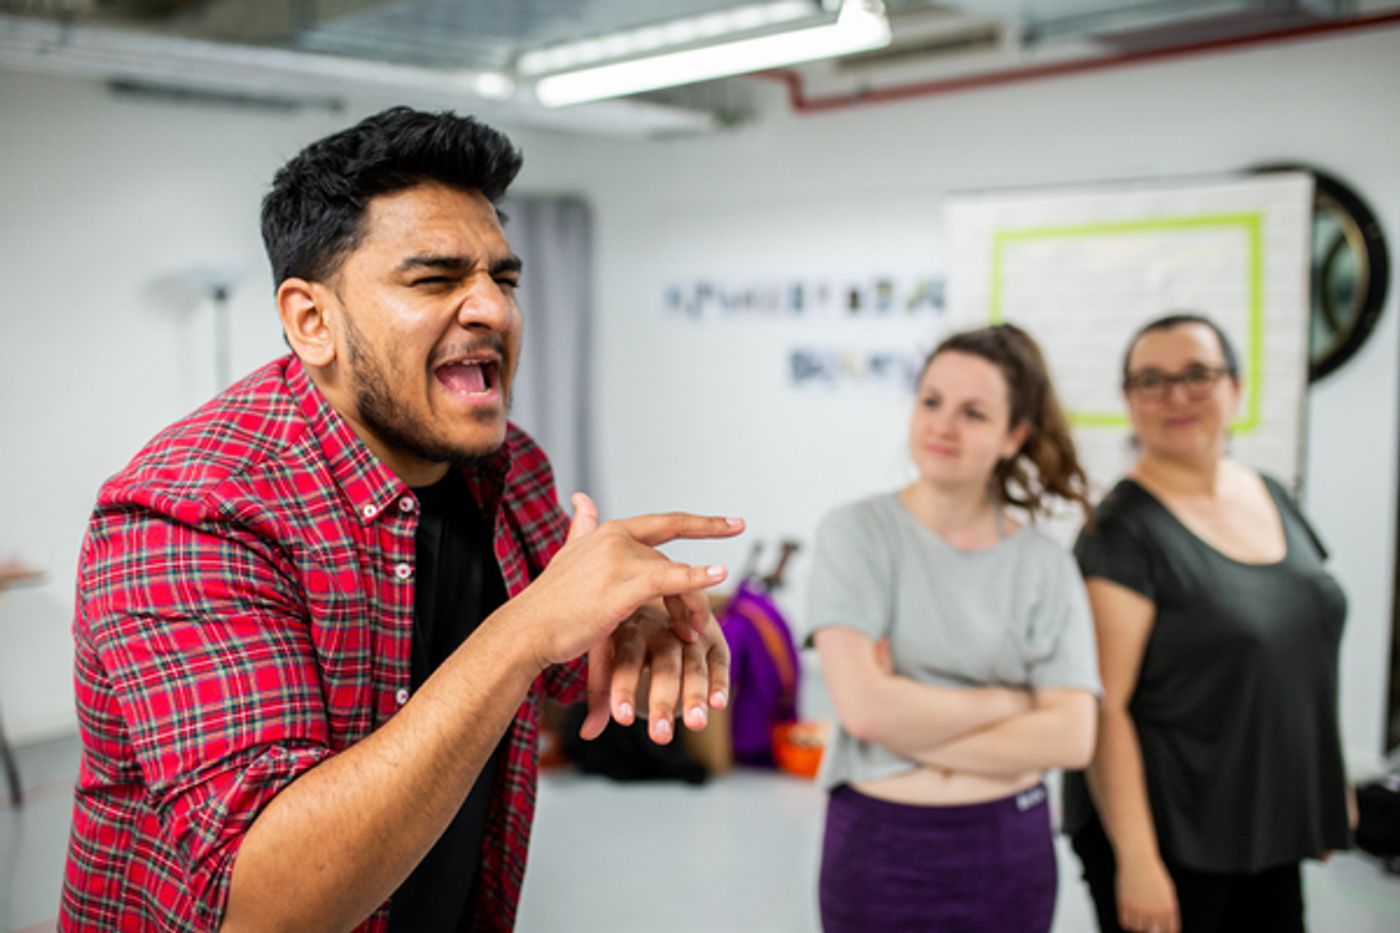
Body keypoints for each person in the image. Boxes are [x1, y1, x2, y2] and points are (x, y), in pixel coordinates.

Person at [59, 107, 742, 933]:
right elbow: (268, 909)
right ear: (313, 321)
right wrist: (523, 629)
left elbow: (552, 670)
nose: (492, 308)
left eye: (505, 278)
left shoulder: (507, 463)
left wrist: (623, 630)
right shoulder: (186, 512)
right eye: (435, 279)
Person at [1062, 313, 1352, 933]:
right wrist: (1137, 862)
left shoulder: (1272, 493)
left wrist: (1323, 792)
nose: (1177, 397)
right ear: (1129, 401)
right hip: (1175, 834)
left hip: (1263, 818)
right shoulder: (1120, 533)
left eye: (1198, 374)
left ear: (1235, 388)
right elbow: (1104, 708)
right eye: (1152, 381)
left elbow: (1302, 654)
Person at [808, 323, 1101, 932]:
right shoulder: (855, 534)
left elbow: (1072, 738)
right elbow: (863, 711)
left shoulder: (1044, 564)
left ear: (1013, 436)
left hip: (1006, 851)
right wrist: (1008, 701)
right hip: (879, 848)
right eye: (931, 401)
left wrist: (903, 721)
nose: (942, 425)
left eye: (974, 412)